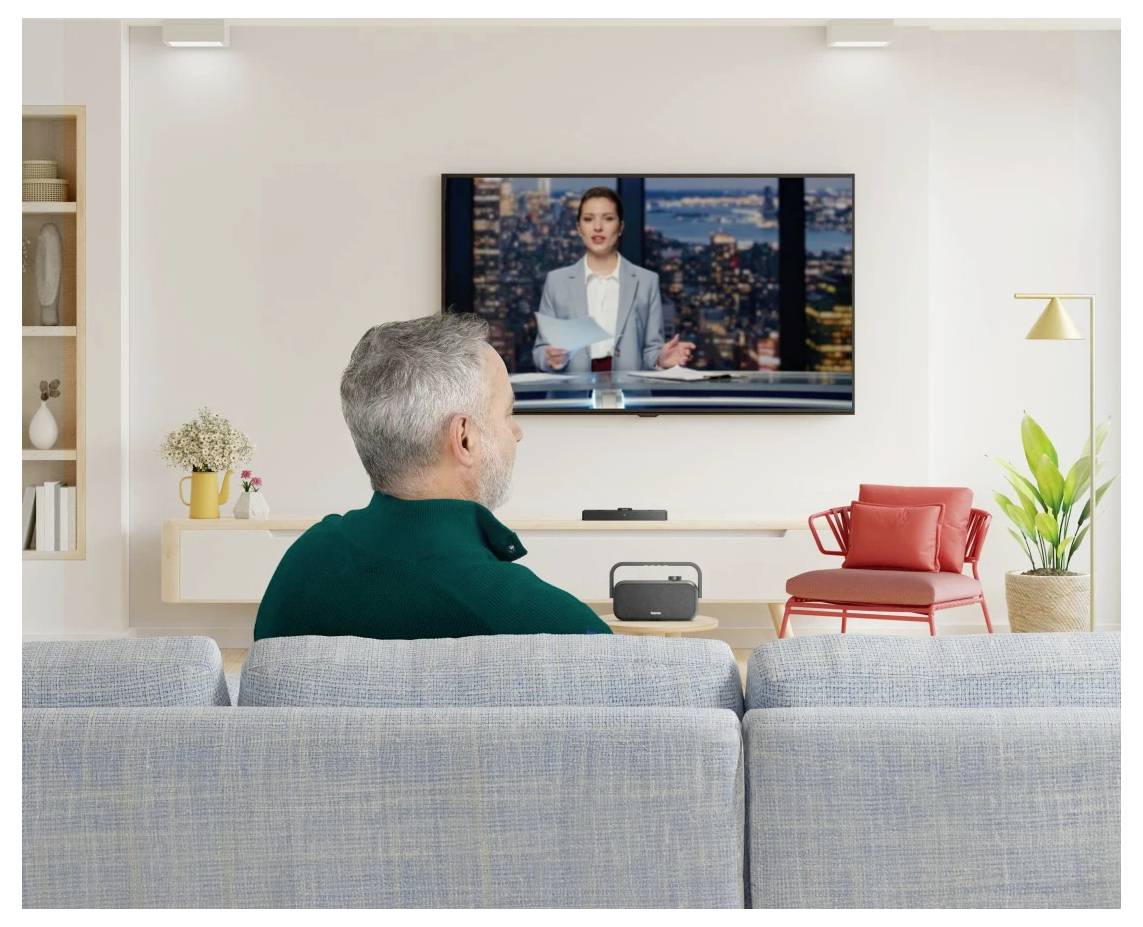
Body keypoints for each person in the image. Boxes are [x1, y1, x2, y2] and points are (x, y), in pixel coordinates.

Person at [254, 314, 610, 641]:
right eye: (507, 413)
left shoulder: (300, 569)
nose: (517, 432)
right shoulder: (551, 624)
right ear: (464, 438)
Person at [532, 186, 696, 374]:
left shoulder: (646, 282)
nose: (598, 227)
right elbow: (539, 350)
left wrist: (661, 359)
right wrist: (549, 357)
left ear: (620, 227)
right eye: (588, 219)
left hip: (629, 396)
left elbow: (651, 350)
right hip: (571, 397)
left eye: (608, 218)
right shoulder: (556, 281)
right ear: (579, 228)